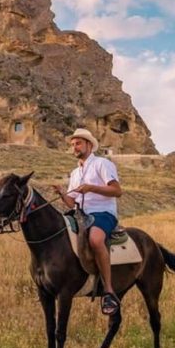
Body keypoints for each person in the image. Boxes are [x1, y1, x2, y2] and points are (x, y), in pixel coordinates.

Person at [52, 128, 123, 315]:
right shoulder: (75, 173)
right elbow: (72, 201)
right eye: (73, 144)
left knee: (95, 239)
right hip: (81, 214)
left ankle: (108, 290)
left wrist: (91, 188)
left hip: (103, 212)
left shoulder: (102, 164)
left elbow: (117, 191)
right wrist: (62, 193)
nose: (74, 147)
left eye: (78, 143)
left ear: (89, 145)